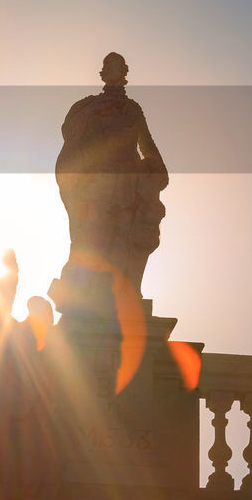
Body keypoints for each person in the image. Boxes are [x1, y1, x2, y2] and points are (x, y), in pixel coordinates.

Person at [52, 53, 168, 312]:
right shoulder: (87, 106)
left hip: (127, 184)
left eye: (117, 66)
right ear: (102, 73)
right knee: (94, 235)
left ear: (124, 71)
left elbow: (147, 145)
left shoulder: (133, 110)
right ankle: (89, 292)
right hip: (97, 182)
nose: (112, 70)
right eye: (107, 66)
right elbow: (72, 138)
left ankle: (120, 293)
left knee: (121, 239)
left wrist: (157, 168)